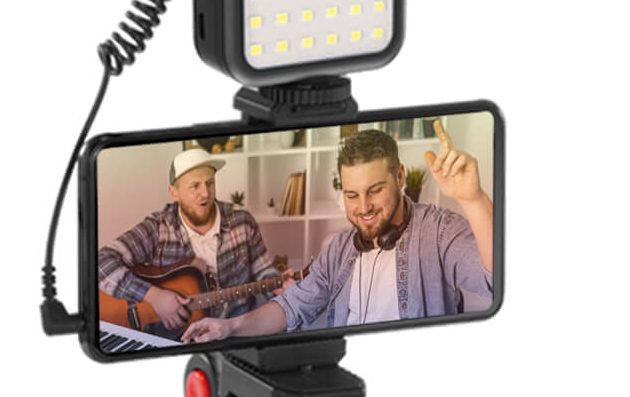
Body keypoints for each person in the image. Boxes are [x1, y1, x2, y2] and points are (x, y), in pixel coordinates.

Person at [182, 120, 492, 344]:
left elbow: (496, 277)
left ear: (400, 177)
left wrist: (473, 199)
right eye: (352, 195)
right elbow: (291, 307)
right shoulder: (339, 248)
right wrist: (228, 327)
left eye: (375, 190)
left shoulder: (438, 231)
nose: (364, 207)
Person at [97, 146, 291, 336]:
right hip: (179, 337)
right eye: (195, 186)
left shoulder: (242, 220)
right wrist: (154, 297)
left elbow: (263, 270)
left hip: (237, 328)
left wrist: (277, 284)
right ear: (174, 193)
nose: (205, 193)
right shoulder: (158, 227)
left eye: (210, 183)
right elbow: (100, 262)